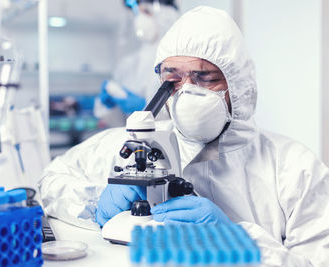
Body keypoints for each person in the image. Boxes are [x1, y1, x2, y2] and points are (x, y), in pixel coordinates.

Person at [39, 6, 329, 266]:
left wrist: (233, 240)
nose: (187, 92)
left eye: (205, 77)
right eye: (173, 78)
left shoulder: (294, 169)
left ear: (238, 85)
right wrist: (92, 202)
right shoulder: (130, 144)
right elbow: (50, 181)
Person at [93, 0, 178, 126]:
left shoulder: (178, 62)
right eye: (137, 13)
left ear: (166, 15)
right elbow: (118, 124)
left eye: (146, 12)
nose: (140, 19)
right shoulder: (129, 64)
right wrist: (110, 106)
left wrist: (146, 107)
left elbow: (182, 119)